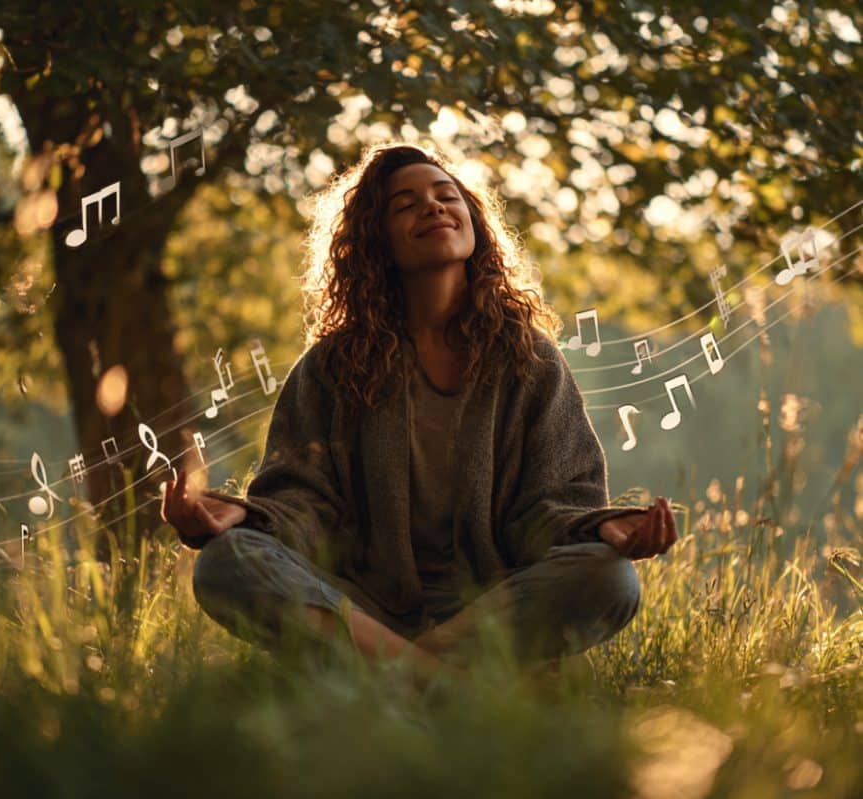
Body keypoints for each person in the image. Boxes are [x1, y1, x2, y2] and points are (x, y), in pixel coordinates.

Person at [161, 142, 678, 687]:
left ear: (474, 222)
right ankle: (449, 683)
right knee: (225, 562)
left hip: (490, 604)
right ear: (375, 239)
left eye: (445, 195)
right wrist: (245, 518)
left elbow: (551, 510)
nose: (432, 208)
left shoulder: (529, 359)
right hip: (365, 607)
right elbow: (305, 506)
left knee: (609, 579)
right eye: (405, 204)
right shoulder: (332, 367)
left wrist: (603, 527)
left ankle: (395, 675)